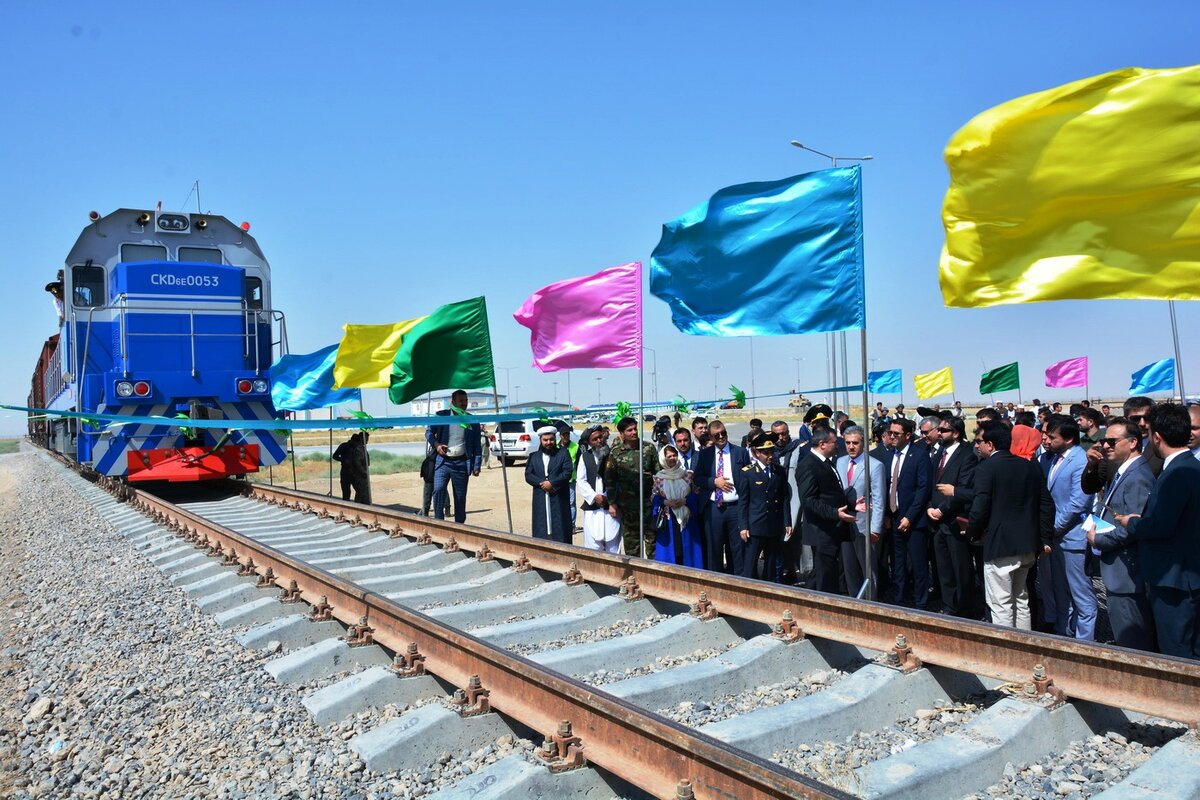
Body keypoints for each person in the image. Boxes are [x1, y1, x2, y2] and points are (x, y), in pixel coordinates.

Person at [1117, 403, 1200, 659]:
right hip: (1186, 574)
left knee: (1177, 651)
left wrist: (1131, 522)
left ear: (1157, 437)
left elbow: (1162, 526)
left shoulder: (1177, 472)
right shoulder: (1190, 466)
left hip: (1174, 580)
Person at [967, 422, 1055, 630]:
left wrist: (972, 532)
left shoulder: (986, 467)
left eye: (979, 441)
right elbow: (1046, 504)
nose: (976, 446)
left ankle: (1005, 647)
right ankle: (1024, 642)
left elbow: (980, 507)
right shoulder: (1028, 465)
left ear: (990, 444)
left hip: (1001, 545)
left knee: (1001, 602)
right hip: (1027, 544)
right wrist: (1044, 538)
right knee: (1021, 599)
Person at [1084, 418, 1156, 650]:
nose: (1106, 446)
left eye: (1112, 441)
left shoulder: (1138, 477)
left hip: (1128, 575)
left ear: (1133, 442)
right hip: (1119, 572)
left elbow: (1132, 528)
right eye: (1105, 441)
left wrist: (1098, 539)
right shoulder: (1124, 471)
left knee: (1133, 644)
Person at [1043, 415, 1097, 641]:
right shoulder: (1054, 459)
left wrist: (1052, 529)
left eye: (1052, 437)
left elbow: (1078, 503)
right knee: (1062, 591)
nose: (1046, 440)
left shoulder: (1080, 460)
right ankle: (1065, 633)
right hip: (1058, 539)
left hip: (1073, 537)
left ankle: (1085, 643)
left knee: (1081, 595)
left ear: (1068, 439)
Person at [929, 417, 979, 618]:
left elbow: (963, 488)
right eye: (939, 430)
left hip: (954, 520)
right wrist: (929, 507)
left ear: (956, 433)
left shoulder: (967, 455)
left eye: (943, 430)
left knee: (961, 569)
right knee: (944, 568)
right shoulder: (938, 453)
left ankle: (965, 609)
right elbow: (931, 484)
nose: (939, 433)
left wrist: (942, 510)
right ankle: (949, 606)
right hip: (936, 521)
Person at [798, 425, 856, 593]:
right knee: (824, 578)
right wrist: (835, 513)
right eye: (834, 442)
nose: (838, 445)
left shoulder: (825, 462)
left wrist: (851, 504)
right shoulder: (808, 465)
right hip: (821, 532)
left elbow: (830, 494)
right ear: (822, 444)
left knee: (827, 574)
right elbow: (809, 500)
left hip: (832, 530)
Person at [692, 419, 750, 573]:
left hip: (735, 508)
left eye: (723, 433)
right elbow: (697, 478)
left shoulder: (740, 452)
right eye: (716, 435)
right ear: (711, 437)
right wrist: (714, 482)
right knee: (714, 548)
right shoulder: (705, 454)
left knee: (737, 549)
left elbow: (748, 478)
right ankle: (715, 580)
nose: (721, 437)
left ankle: (737, 580)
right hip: (714, 509)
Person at [887, 418, 933, 608]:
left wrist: (910, 517)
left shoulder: (920, 455)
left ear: (907, 435)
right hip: (894, 516)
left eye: (896, 434)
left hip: (914, 520)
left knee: (918, 563)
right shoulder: (890, 455)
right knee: (898, 563)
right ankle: (899, 599)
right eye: (890, 433)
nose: (892, 436)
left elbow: (923, 489)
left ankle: (920, 602)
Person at [838, 425, 884, 597]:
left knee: (868, 568)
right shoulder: (840, 462)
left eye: (855, 443)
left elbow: (879, 499)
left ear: (863, 443)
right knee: (849, 567)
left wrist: (875, 529)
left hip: (864, 525)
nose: (851, 447)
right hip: (845, 523)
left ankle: (871, 601)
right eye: (848, 443)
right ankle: (854, 601)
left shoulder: (875, 466)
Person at [736, 434, 790, 581]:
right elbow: (743, 501)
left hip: (773, 524)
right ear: (757, 453)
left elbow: (784, 498)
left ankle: (768, 588)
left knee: (771, 563)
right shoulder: (748, 472)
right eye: (766, 453)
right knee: (751, 562)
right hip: (754, 525)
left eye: (772, 452)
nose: (770, 456)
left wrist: (787, 522)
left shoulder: (779, 471)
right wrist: (743, 526)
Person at [604, 416, 658, 558]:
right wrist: (612, 503)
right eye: (629, 430)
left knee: (653, 543)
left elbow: (658, 474)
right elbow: (610, 480)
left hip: (648, 504)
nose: (634, 432)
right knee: (632, 546)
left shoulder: (648, 448)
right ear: (622, 434)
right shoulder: (615, 453)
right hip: (628, 507)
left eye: (635, 429)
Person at [426, 389, 482, 524]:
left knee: (460, 498)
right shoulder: (441, 416)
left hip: (461, 463)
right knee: (438, 490)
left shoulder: (472, 420)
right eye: (461, 401)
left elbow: (477, 445)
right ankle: (439, 523)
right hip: (443, 462)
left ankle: (459, 527)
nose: (464, 403)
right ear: (453, 402)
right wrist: (437, 445)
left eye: (466, 400)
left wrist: (477, 465)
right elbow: (429, 433)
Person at [652, 444, 704, 567]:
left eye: (674, 455)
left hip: (687, 519)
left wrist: (685, 501)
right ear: (663, 459)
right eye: (669, 456)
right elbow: (654, 498)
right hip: (669, 519)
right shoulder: (659, 478)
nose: (672, 458)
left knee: (687, 552)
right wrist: (666, 502)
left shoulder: (687, 475)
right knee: (672, 553)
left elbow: (697, 495)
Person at [577, 426, 620, 553]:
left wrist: (608, 497)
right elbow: (581, 480)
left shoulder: (613, 455)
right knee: (593, 547)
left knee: (613, 547)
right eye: (594, 439)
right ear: (589, 442)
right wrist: (594, 496)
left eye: (600, 437)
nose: (599, 441)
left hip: (611, 507)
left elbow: (619, 479)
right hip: (593, 509)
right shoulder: (585, 457)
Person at [526, 426, 573, 543]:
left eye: (551, 439)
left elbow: (567, 472)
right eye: (545, 440)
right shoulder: (534, 456)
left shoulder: (563, 453)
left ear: (555, 439)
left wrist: (552, 483)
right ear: (540, 440)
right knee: (541, 530)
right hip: (541, 496)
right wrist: (542, 484)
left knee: (560, 529)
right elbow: (528, 475)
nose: (548, 442)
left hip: (558, 497)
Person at [331, 432, 371, 503]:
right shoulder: (344, 446)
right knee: (346, 492)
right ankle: (347, 505)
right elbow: (335, 456)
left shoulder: (359, 447)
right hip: (346, 472)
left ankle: (357, 505)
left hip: (356, 473)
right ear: (354, 440)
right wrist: (343, 460)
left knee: (360, 491)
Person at [558, 423, 580, 529]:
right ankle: (561, 524)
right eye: (564, 435)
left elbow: (580, 463)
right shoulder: (555, 446)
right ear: (560, 436)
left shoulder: (575, 446)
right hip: (558, 480)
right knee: (559, 501)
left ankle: (571, 525)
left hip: (571, 479)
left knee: (571, 502)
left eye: (567, 434)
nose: (566, 436)